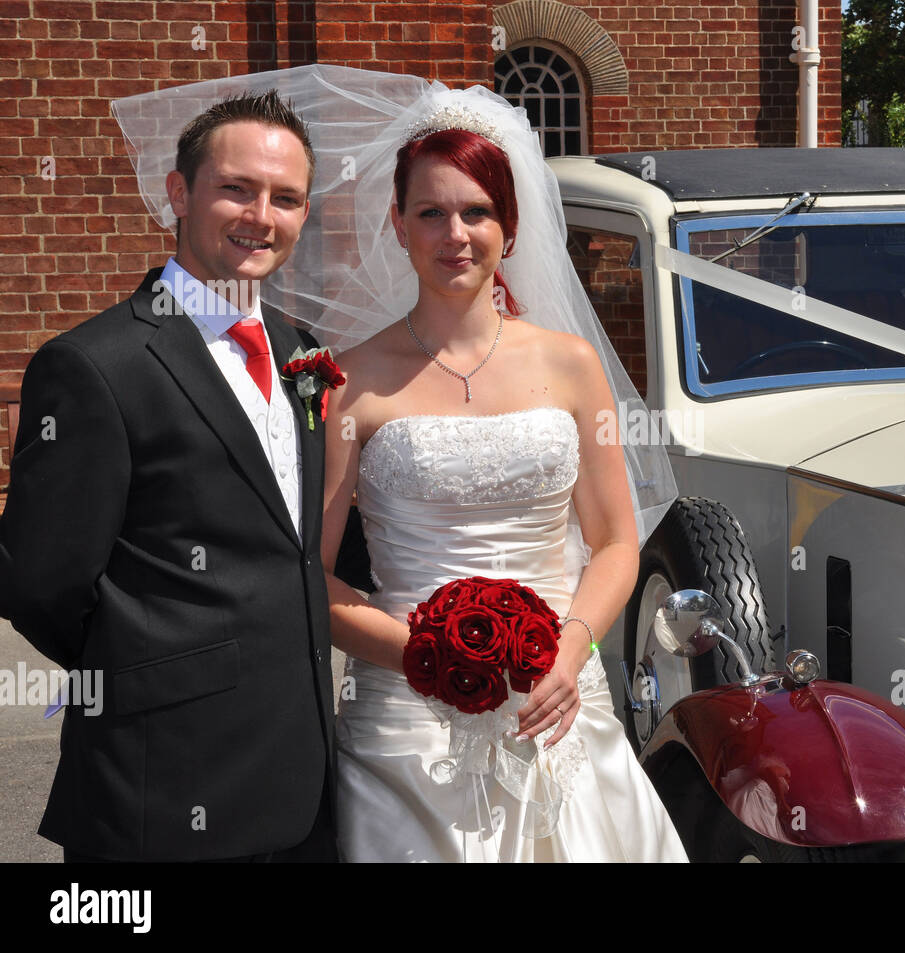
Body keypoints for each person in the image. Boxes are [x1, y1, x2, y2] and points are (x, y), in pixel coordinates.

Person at [309, 79, 687, 862]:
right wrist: (422, 654)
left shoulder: (571, 366)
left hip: (557, 696)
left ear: (509, 227)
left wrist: (571, 648)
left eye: (477, 210)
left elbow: (617, 541)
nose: (456, 233)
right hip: (406, 721)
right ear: (398, 225)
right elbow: (309, 574)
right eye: (431, 212)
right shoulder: (349, 379)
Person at [0, 87, 338, 861]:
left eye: (286, 198)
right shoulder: (94, 365)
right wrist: (155, 662)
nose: (262, 215)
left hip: (305, 787)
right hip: (159, 789)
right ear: (178, 193)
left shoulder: (300, 352)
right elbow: (37, 582)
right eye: (237, 189)